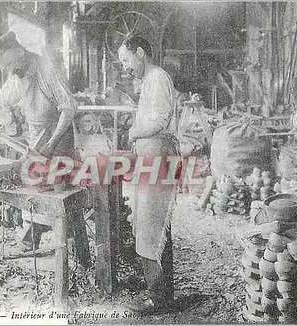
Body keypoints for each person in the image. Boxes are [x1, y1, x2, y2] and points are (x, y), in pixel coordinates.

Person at [0, 31, 77, 249]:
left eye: (8, 63)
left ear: (19, 52)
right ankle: (32, 238)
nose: (8, 70)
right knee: (32, 183)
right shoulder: (17, 76)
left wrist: (51, 144)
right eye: (5, 67)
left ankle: (69, 244)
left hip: (59, 135)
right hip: (37, 135)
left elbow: (69, 108)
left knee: (58, 193)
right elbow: (1, 97)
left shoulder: (47, 68)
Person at [118, 36, 179, 313]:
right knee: (150, 227)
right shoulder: (150, 80)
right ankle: (161, 294)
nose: (126, 68)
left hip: (158, 158)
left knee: (150, 227)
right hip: (152, 157)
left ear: (141, 52)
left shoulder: (157, 77)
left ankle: (159, 298)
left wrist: (133, 132)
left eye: (127, 60)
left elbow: (159, 120)